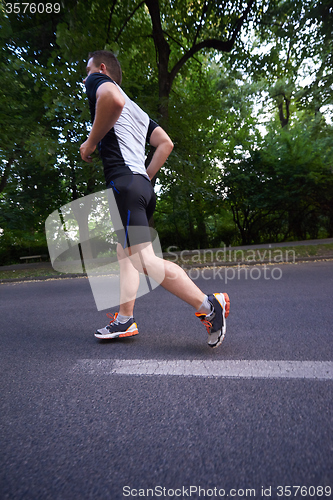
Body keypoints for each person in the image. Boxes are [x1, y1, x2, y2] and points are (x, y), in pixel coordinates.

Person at [80, 50, 230, 348]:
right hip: (141, 188)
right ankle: (125, 319)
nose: (86, 77)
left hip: (124, 184)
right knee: (127, 255)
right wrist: (145, 178)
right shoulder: (138, 112)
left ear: (102, 68)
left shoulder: (99, 81)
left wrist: (91, 142)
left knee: (144, 260)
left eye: (88, 71)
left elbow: (113, 100)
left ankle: (209, 306)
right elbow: (166, 143)